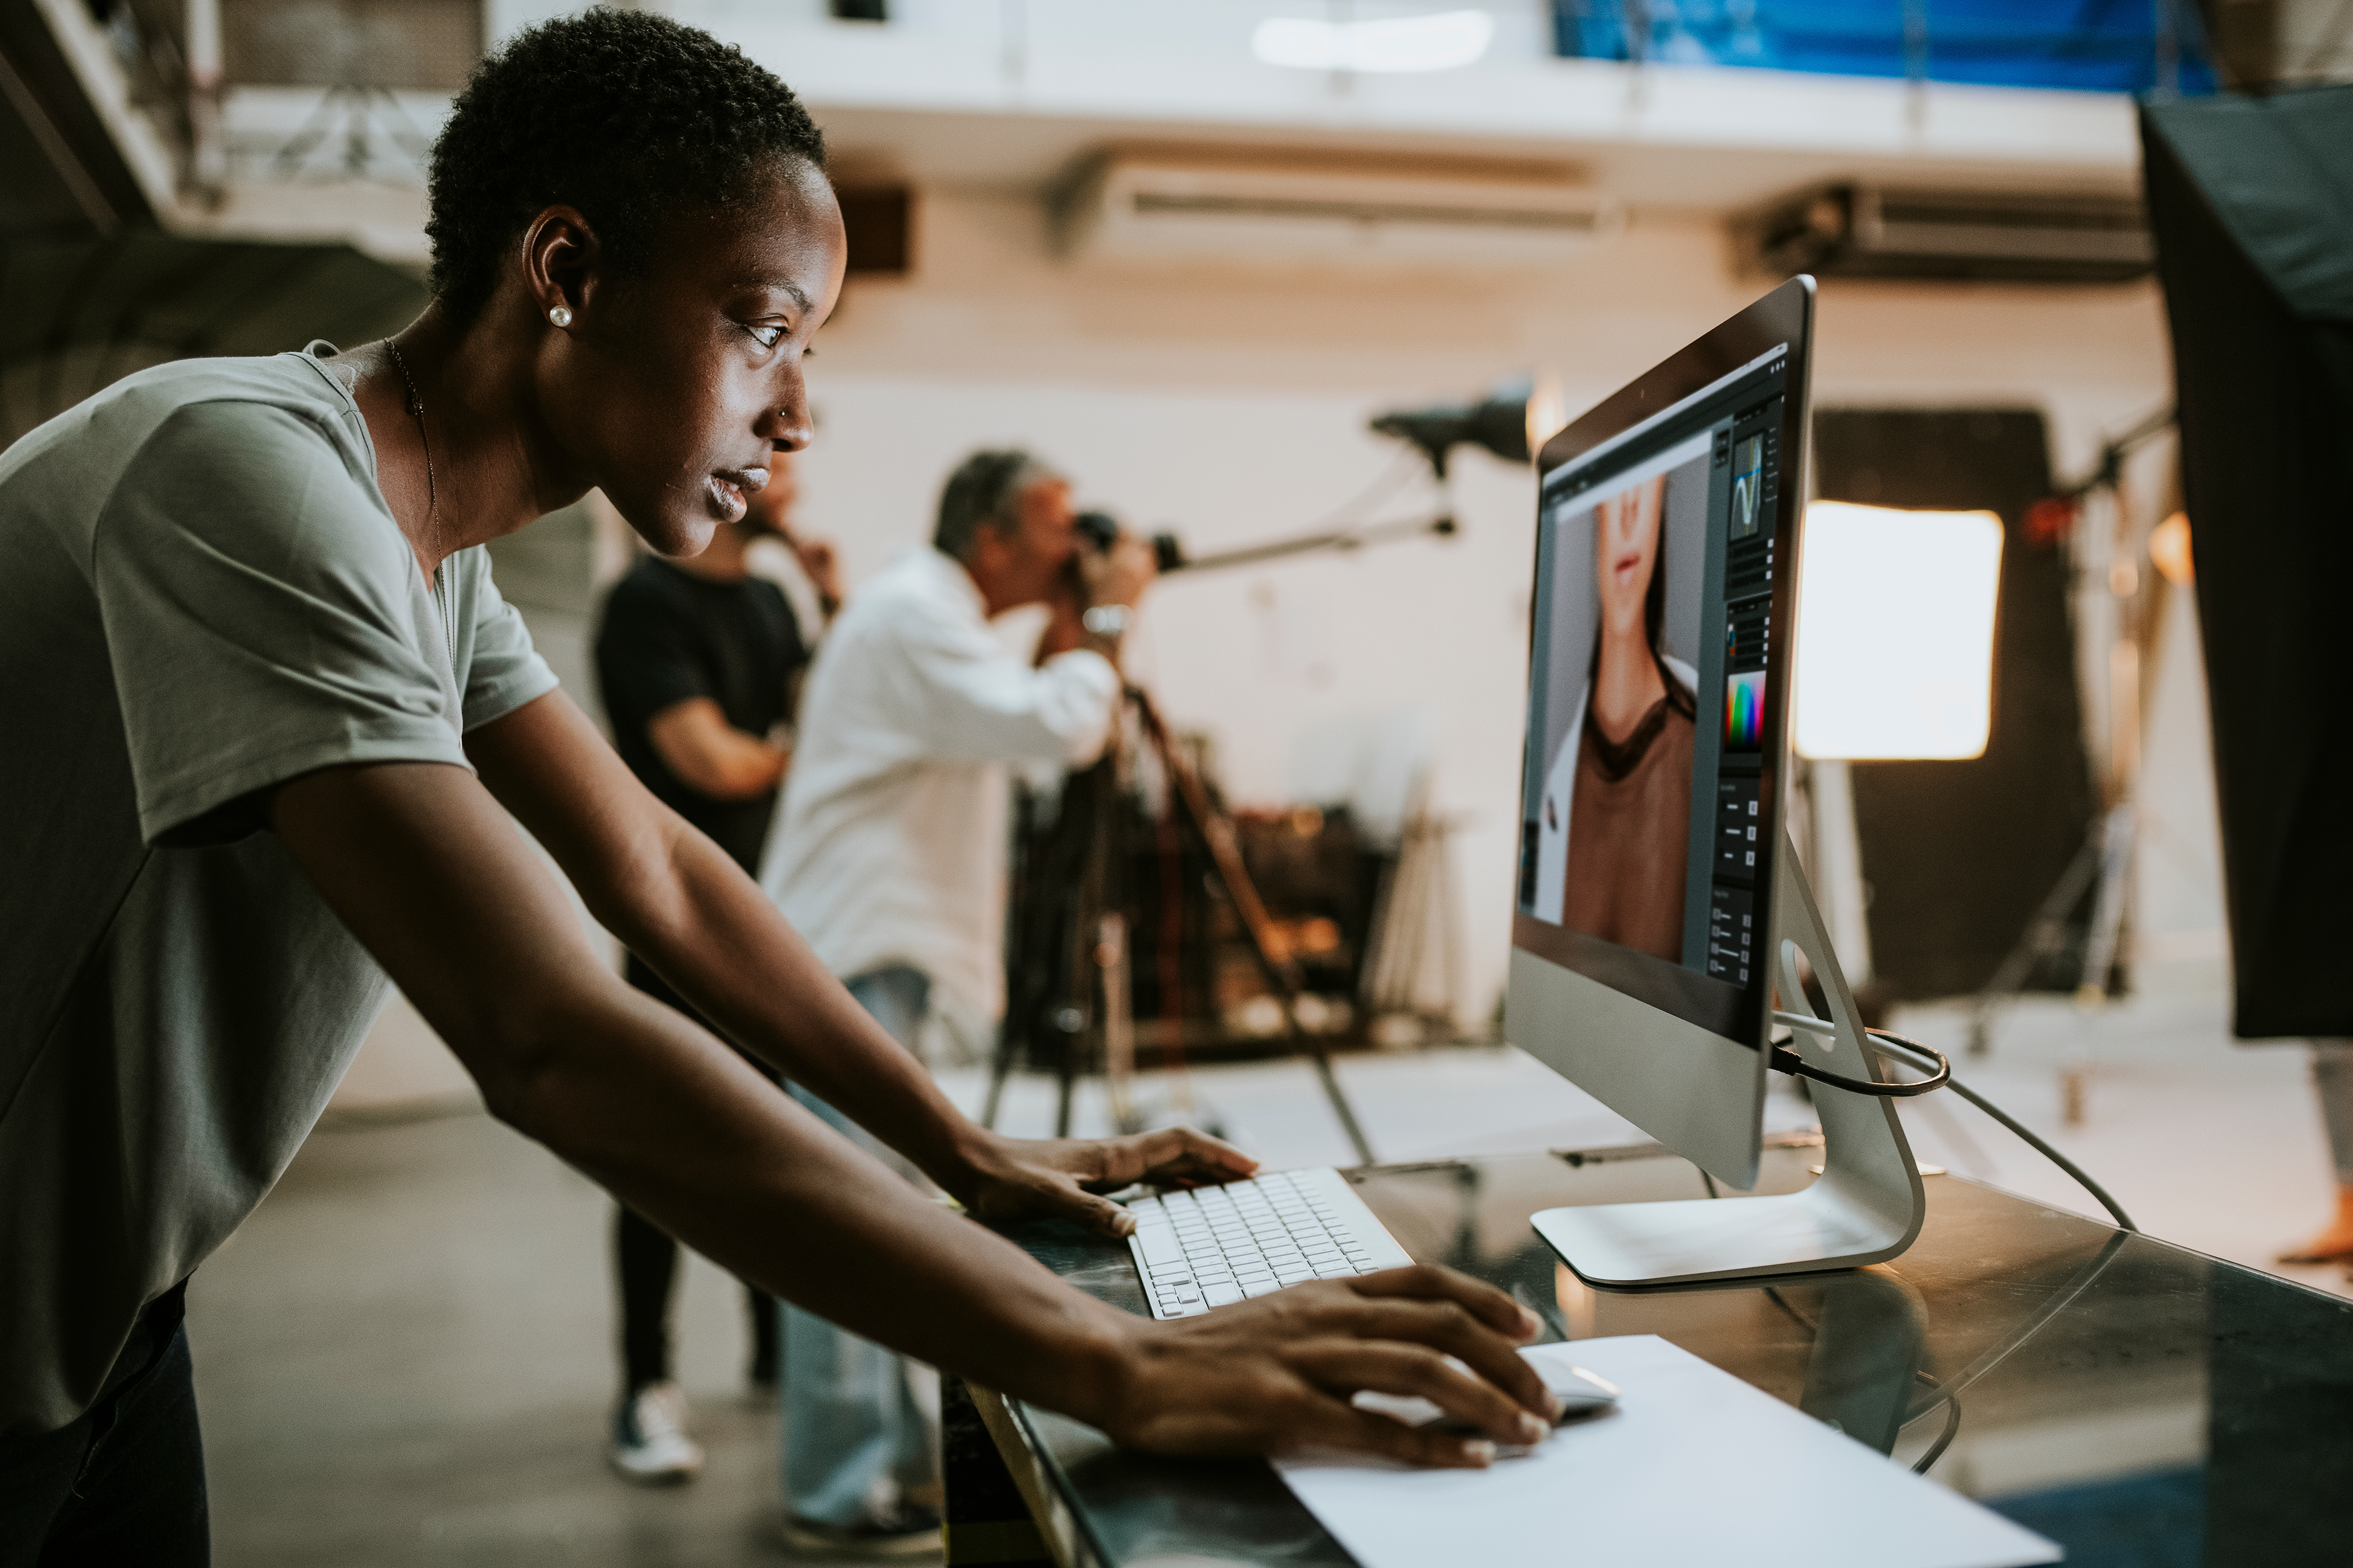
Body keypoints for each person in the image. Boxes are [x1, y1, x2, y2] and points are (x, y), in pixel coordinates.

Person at [0, 12, 1559, 1564]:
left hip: (110, 1321)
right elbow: (545, 1034)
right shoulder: (240, 475)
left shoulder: (430, 562)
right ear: (567, 272)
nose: (797, 412)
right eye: (763, 328)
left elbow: (658, 873)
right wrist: (1113, 1359)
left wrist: (961, 1145)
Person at [754, 448, 1153, 1549]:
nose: (1077, 548)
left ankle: (875, 1465)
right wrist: (1112, 622)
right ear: (990, 538)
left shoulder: (931, 615)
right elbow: (1054, 728)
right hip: (852, 952)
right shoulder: (911, 617)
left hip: (868, 947)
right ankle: (838, 1491)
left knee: (877, 1210)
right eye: (1057, 525)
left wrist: (1086, 627)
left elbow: (1044, 727)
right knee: (847, 1218)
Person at [593, 451, 842, 1483]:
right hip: (677, 921)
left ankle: (779, 1346)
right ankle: (645, 1384)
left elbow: (818, 714)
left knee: (780, 1132)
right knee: (664, 1153)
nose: (794, 478)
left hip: (776, 914)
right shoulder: (643, 603)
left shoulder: (779, 607)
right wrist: (804, 748)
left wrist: (831, 603)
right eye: (777, 464)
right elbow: (712, 760)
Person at [1534, 472, 1698, 959]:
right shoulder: (1557, 773)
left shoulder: (1700, 753)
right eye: (1614, 495)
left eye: (1647, 491)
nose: (1629, 515)